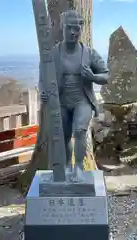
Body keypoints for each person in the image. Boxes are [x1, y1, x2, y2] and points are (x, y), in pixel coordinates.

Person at [40, 10, 109, 176]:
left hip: (82, 100)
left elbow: (106, 75)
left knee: (79, 130)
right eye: (69, 28)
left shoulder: (89, 53)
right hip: (61, 101)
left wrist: (93, 76)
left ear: (80, 30)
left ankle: (79, 166)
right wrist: (43, 91)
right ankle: (65, 166)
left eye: (76, 29)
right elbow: (43, 76)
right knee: (63, 135)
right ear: (63, 29)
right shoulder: (53, 53)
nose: (73, 32)